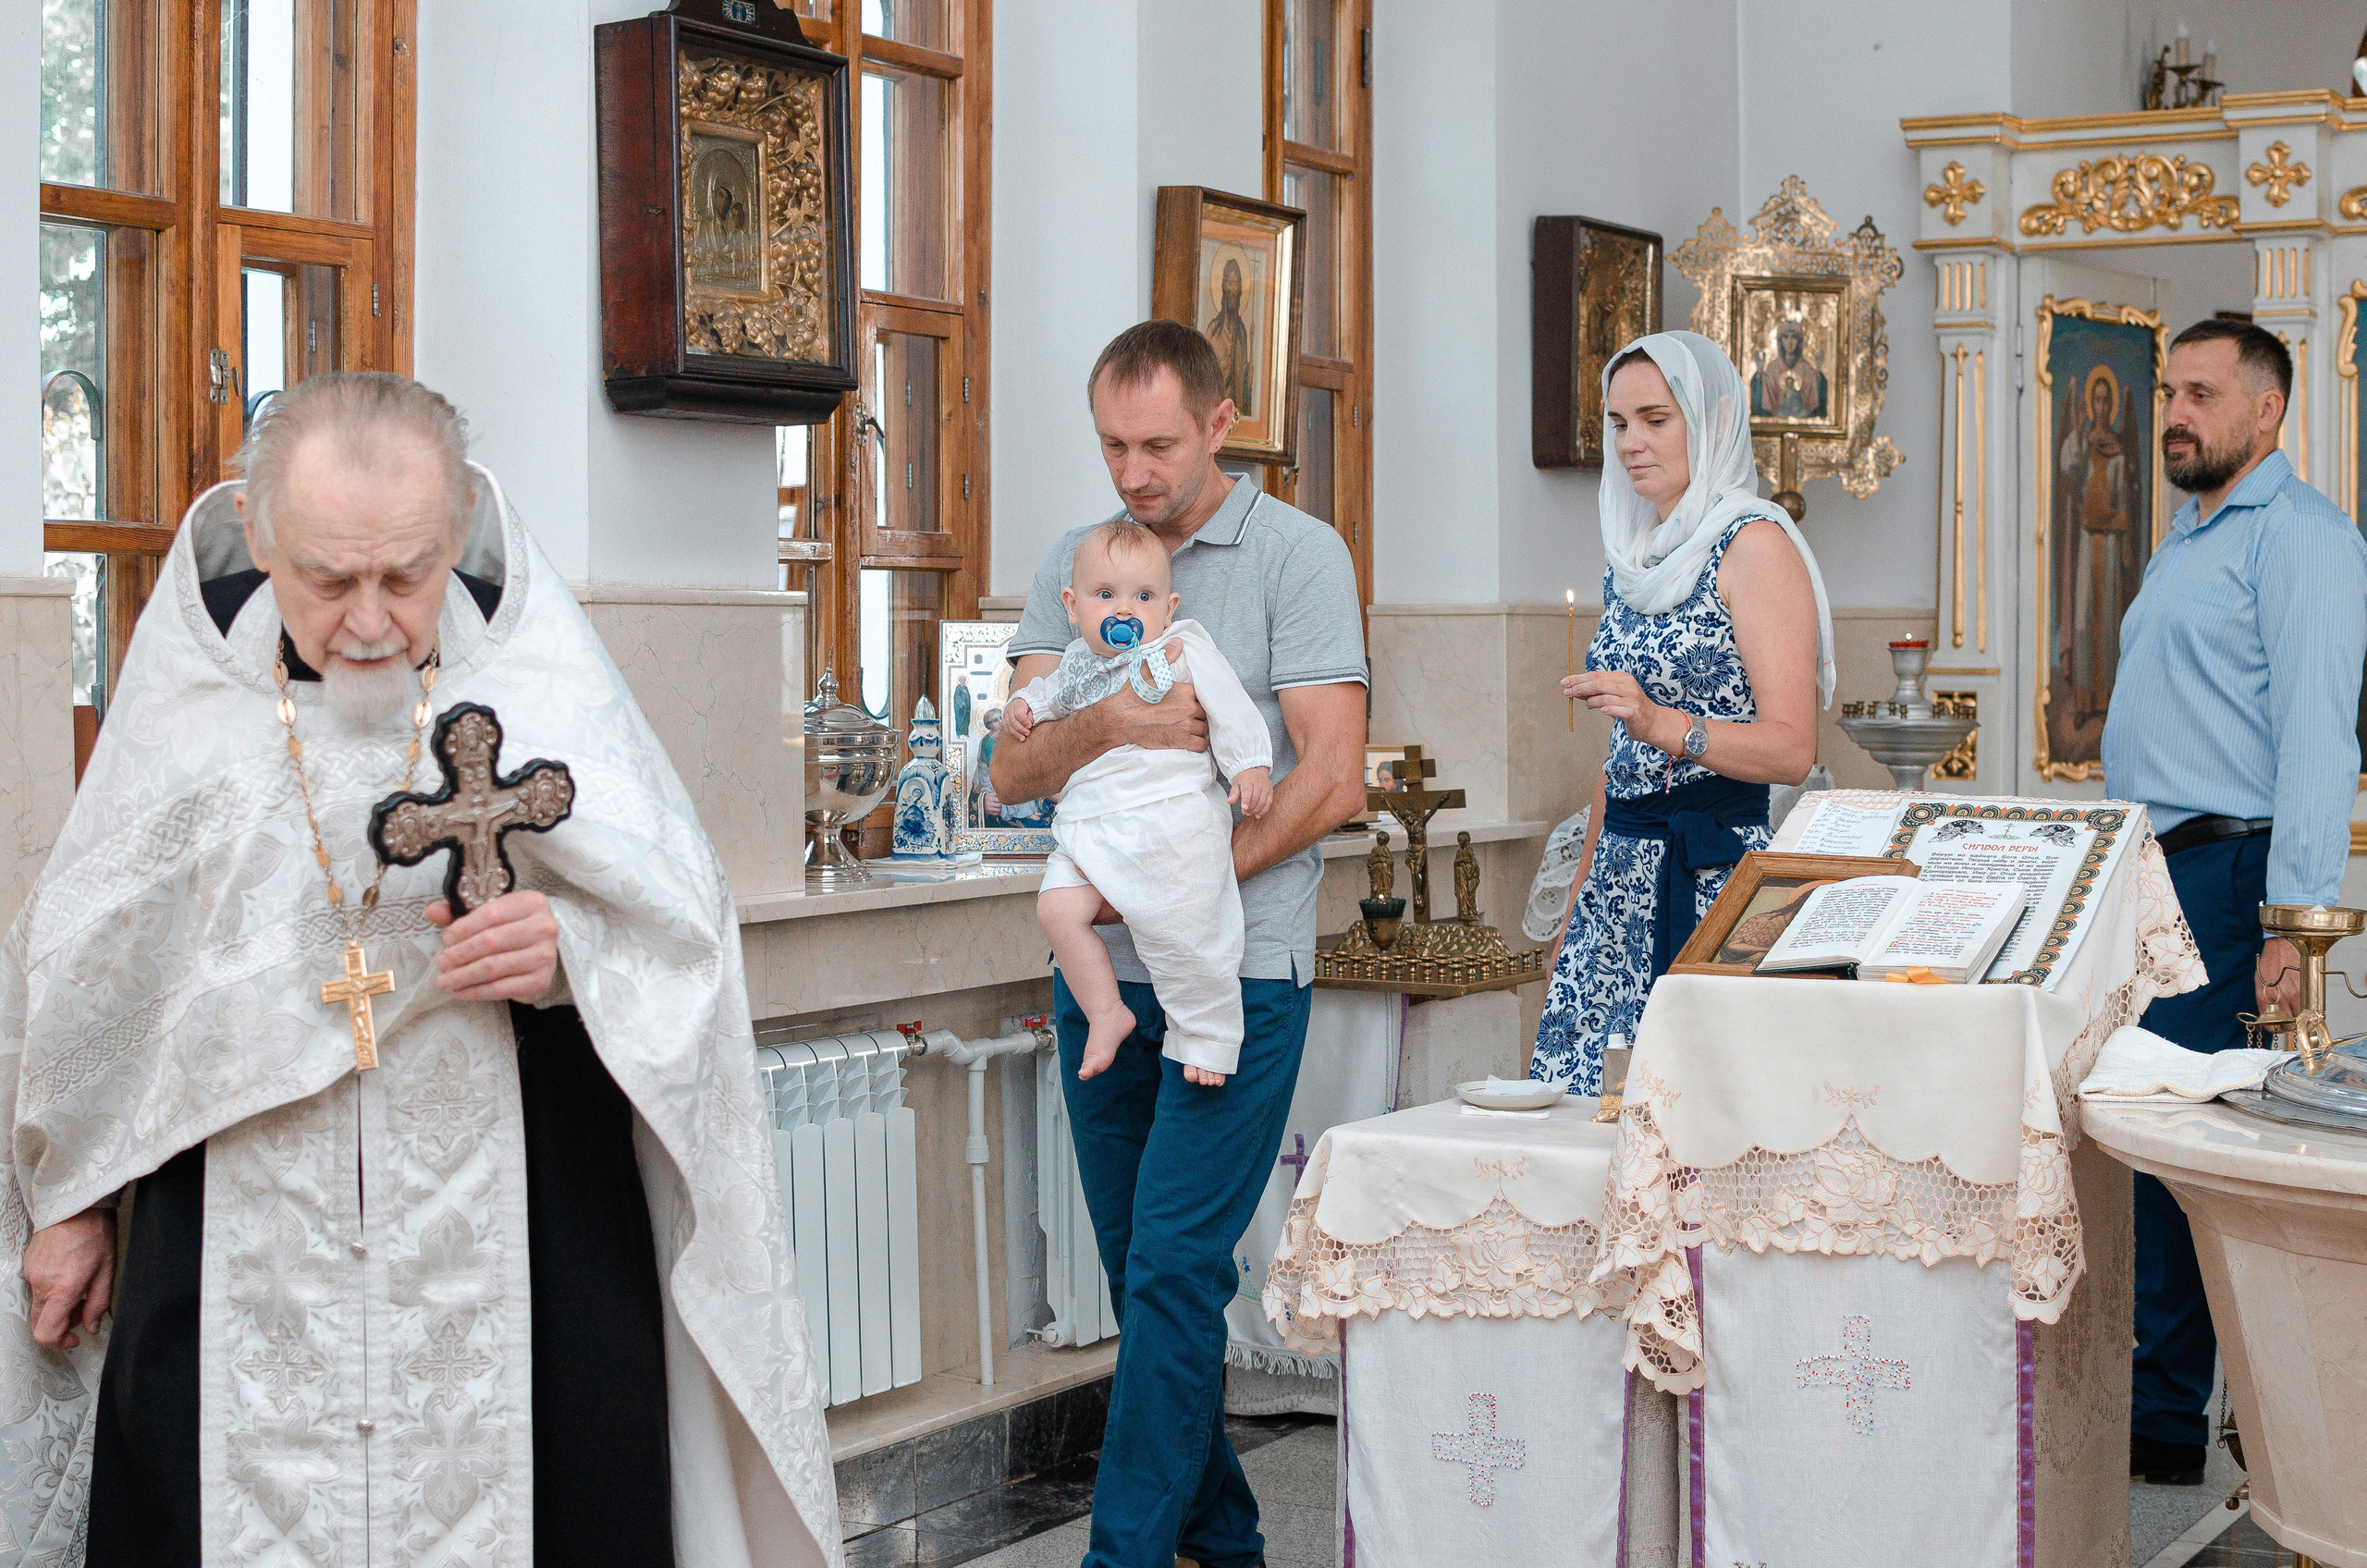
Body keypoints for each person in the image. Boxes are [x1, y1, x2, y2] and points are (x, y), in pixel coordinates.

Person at [2, 374, 839, 1566]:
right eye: (328, 580)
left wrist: (569, 950)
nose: (370, 621)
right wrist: (74, 1201)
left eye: (406, 575)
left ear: (457, 538)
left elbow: (678, 930)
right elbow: (99, 982)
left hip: (523, 1236)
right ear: (261, 534)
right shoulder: (194, 704)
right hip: (234, 1244)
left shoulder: (541, 683)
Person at [993, 320, 1366, 1568]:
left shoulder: (1296, 559)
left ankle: (1125, 1555)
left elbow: (1330, 782)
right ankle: (1228, 1540)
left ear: (1220, 422)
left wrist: (1179, 894)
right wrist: (1112, 736)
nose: (1134, 471)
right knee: (1141, 1270)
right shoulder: (1079, 560)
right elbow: (1011, 771)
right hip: (1103, 981)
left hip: (1239, 973)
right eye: (1111, 444)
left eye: (1157, 443)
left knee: (1170, 1269)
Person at [2103, 318, 2367, 1488]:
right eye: (2170, 390)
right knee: (2146, 1138)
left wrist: (2292, 923)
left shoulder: (2302, 540)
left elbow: (2319, 734)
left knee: (2182, 1149)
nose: (2176, 411)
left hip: (2228, 876)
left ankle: (2168, 1419)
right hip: (2151, 872)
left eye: (2202, 393)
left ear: (2266, 412)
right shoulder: (2186, 535)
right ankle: (2157, 1402)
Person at [1531, 330, 1832, 1095]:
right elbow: (1619, 758)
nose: (1631, 443)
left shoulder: (1754, 545)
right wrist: (1581, 892)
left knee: (1701, 1121)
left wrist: (1666, 724)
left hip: (1713, 879)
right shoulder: (1634, 560)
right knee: (1587, 1114)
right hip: (1616, 880)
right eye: (1618, 423)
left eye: (1655, 420)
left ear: (1716, 421)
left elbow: (1793, 749)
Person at [1005, 518, 1274, 1081]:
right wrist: (1021, 707)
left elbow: (1229, 706)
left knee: (1190, 932)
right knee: (1056, 909)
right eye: (1106, 596)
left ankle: (1207, 1037)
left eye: (1143, 597)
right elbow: (1042, 701)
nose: (1125, 610)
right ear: (1072, 605)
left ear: (1169, 606)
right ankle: (1107, 1013)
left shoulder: (1180, 649)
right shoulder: (1075, 662)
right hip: (1093, 822)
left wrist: (1248, 765)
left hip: (1168, 814)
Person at [1748, 317, 1828, 421]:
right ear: (1780, 341)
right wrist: (1759, 372)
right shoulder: (1773, 368)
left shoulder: (1806, 368)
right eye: (1785, 337)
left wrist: (1818, 372)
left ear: (1799, 341)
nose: (1790, 342)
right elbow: (1762, 407)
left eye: (1794, 337)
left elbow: (1816, 407)